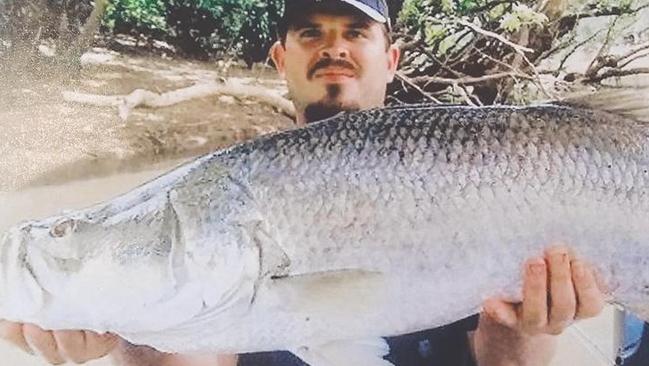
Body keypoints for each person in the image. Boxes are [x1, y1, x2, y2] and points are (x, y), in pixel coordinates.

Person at [0, 0, 608, 365]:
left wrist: (526, 328)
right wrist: (119, 333)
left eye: (355, 30)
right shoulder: (222, 192)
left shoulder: (472, 167)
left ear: (391, 58)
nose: (333, 47)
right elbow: (193, 349)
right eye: (310, 32)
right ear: (280, 58)